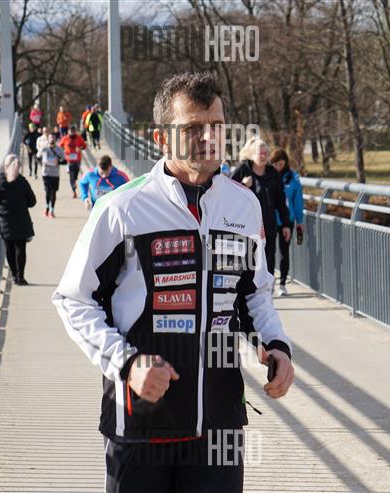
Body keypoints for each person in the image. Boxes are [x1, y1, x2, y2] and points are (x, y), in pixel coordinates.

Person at [52, 72, 294, 493]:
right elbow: (74, 299)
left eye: (216, 125)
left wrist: (277, 346)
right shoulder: (121, 209)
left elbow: (253, 292)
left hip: (219, 421)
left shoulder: (245, 205)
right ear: (162, 138)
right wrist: (126, 363)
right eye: (193, 128)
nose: (209, 138)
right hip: (141, 421)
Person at [231, 137, 291, 279]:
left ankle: (267, 288)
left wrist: (286, 224)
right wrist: (242, 185)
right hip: (246, 225)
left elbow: (281, 202)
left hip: (268, 224)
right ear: (252, 155)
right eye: (261, 153)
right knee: (249, 260)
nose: (264, 156)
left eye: (266, 153)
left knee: (268, 259)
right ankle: (248, 287)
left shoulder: (273, 173)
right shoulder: (242, 171)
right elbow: (227, 195)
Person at [0, 154, 36, 286]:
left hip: (5, 221)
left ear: (5, 166)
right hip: (22, 220)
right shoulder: (22, 182)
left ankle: (14, 275)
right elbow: (32, 201)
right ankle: (20, 277)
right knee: (20, 248)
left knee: (9, 249)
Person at [269, 149, 304, 296]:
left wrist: (299, 221)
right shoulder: (267, 175)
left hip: (287, 220)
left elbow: (298, 200)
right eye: (276, 164)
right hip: (270, 219)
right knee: (269, 252)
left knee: (284, 252)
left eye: (281, 164)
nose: (278, 167)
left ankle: (282, 283)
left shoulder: (293, 178)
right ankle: (269, 281)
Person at [37, 132, 65, 217]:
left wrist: (58, 162)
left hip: (55, 174)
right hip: (46, 173)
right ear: (48, 139)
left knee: (53, 192)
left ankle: (52, 209)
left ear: (55, 139)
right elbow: (37, 157)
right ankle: (47, 208)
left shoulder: (59, 149)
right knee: (48, 191)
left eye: (53, 138)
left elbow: (65, 161)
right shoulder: (44, 148)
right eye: (50, 137)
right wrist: (42, 163)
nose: (52, 139)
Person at [59, 126, 88, 198]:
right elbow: (60, 146)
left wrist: (80, 148)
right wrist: (64, 151)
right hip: (69, 160)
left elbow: (84, 146)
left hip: (77, 160)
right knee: (71, 176)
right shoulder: (65, 138)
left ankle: (74, 183)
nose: (72, 132)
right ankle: (74, 191)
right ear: (68, 131)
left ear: (75, 131)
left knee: (75, 175)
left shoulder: (79, 138)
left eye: (73, 131)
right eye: (70, 131)